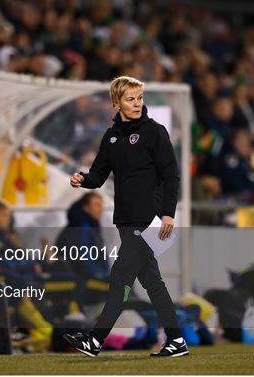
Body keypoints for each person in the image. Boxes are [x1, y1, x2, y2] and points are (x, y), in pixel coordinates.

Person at [63, 76, 188, 357]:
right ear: (116, 103)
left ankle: (95, 340)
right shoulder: (111, 136)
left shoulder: (155, 132)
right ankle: (177, 340)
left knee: (120, 279)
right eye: (130, 99)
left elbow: (171, 175)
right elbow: (98, 175)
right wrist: (82, 179)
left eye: (139, 98)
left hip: (149, 219)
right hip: (125, 220)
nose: (137, 103)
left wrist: (168, 213)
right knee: (153, 284)